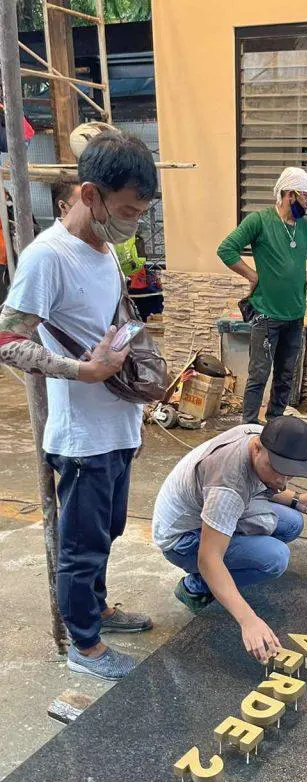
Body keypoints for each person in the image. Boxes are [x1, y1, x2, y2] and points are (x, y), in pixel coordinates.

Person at [0, 131, 158, 680]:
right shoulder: (48, 256)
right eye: (125, 210)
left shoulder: (107, 249)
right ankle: (83, 645)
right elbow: (7, 340)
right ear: (89, 194)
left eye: (140, 212)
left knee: (109, 530)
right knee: (82, 544)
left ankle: (98, 607)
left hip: (120, 422)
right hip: (82, 435)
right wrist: (82, 370)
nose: (132, 222)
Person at [152, 417, 307, 664]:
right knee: (274, 558)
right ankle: (195, 587)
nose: (282, 482)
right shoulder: (228, 485)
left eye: (290, 475)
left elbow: (266, 484)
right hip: (182, 538)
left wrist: (298, 499)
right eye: (279, 471)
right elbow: (209, 559)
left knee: (292, 522)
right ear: (257, 448)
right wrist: (248, 620)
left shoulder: (259, 436)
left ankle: (227, 575)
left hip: (208, 509)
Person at [217, 167, 307, 424]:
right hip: (266, 315)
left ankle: (276, 423)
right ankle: (247, 427)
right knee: (259, 374)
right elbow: (226, 249)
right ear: (290, 195)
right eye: (306, 196)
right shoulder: (259, 221)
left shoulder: (305, 227)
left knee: (285, 374)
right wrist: (252, 275)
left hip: (295, 314)